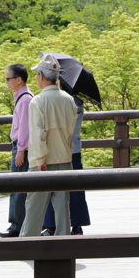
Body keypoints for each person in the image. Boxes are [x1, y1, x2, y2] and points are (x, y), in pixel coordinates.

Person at [20, 53, 77, 237]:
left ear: (42, 76)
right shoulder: (69, 99)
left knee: (34, 207)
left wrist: (39, 159)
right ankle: (63, 241)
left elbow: (38, 135)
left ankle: (27, 243)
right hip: (64, 158)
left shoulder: (38, 101)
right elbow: (71, 131)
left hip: (43, 162)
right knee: (62, 207)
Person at [41, 95, 91, 236]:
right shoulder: (78, 102)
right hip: (75, 148)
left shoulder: (61, 100)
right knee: (76, 188)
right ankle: (77, 226)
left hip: (59, 149)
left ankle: (52, 226)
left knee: (54, 186)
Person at [0, 63, 33, 238]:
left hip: (22, 147)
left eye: (8, 79)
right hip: (21, 146)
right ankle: (18, 223)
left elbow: (25, 128)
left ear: (18, 80)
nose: (6, 82)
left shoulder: (25, 99)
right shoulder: (23, 97)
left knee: (18, 186)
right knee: (18, 186)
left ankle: (17, 225)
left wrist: (20, 150)